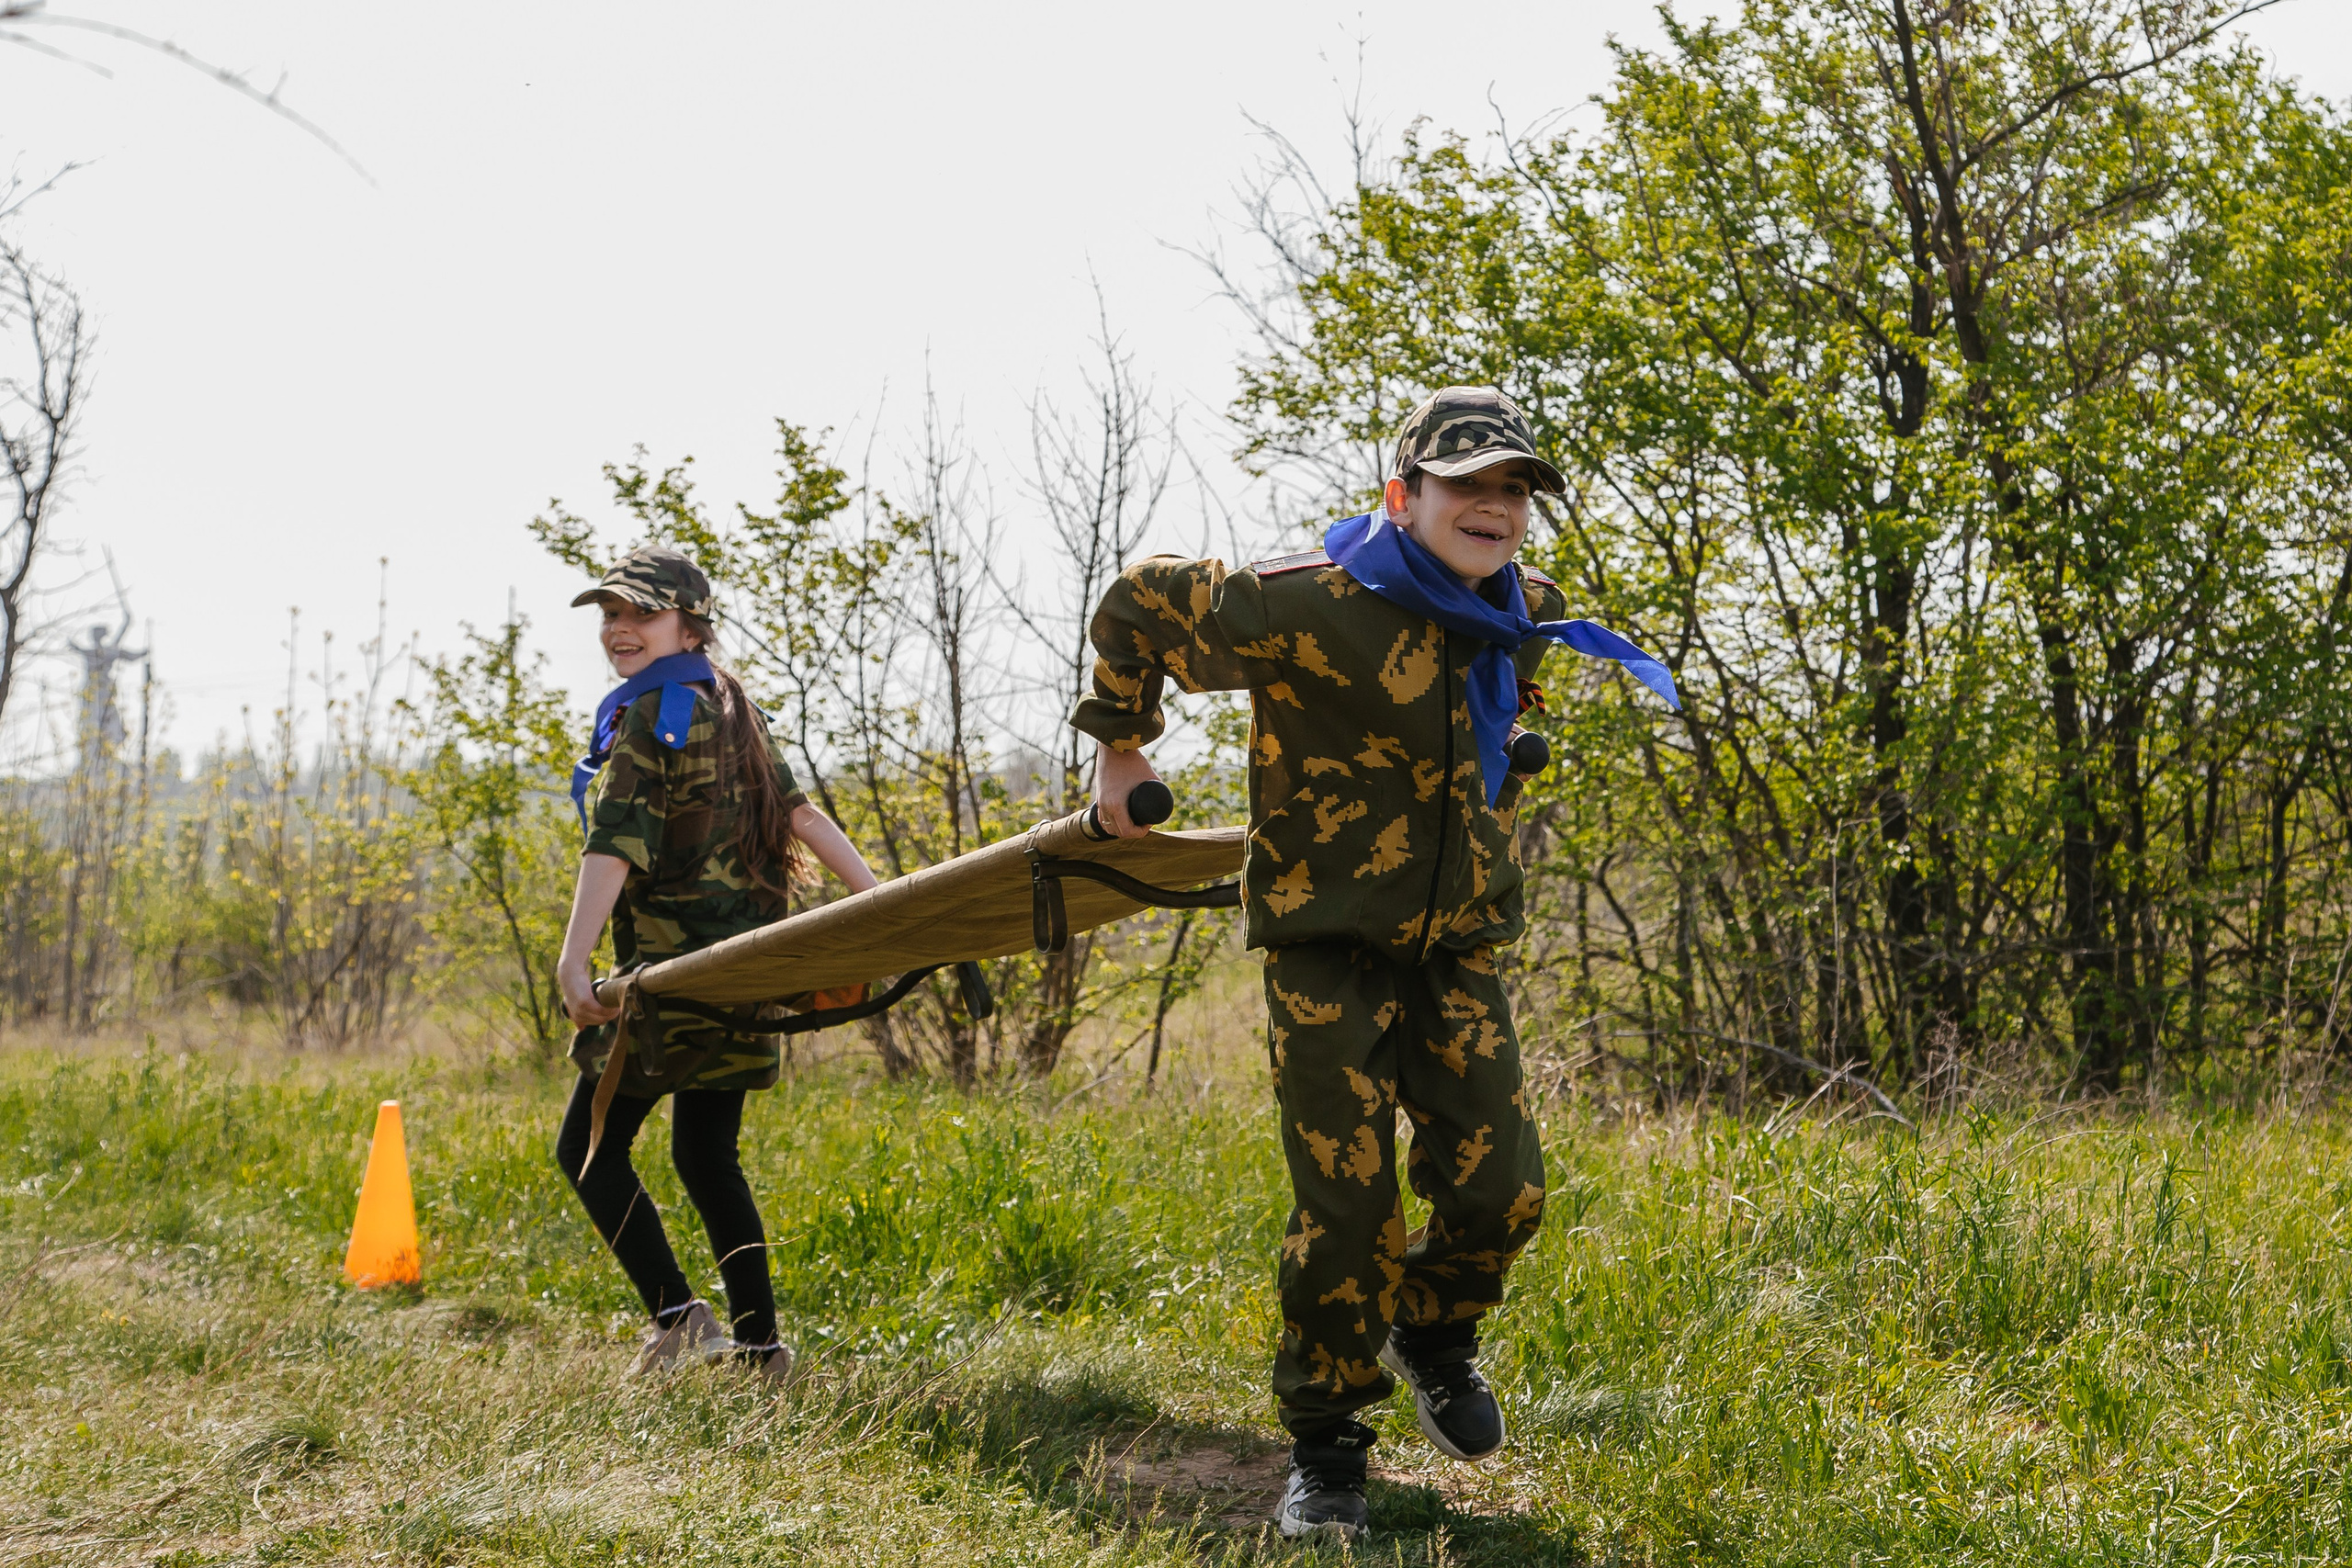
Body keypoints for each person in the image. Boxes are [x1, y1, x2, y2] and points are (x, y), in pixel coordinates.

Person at [1074, 387, 1677, 1543]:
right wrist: (1120, 747)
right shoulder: (1300, 603)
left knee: (1504, 1186)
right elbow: (1136, 601)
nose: (1492, 508)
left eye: (1512, 490)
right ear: (1403, 497)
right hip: (1326, 948)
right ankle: (1328, 1447)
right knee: (1348, 1206)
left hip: (1456, 949)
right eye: (1467, 485)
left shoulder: (1525, 608)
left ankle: (1435, 1332)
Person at [554, 545, 879, 1381]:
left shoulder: (651, 714)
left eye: (640, 614)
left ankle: (678, 1314)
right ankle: (763, 1347)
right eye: (611, 616)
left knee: (587, 1150)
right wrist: (881, 898)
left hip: (669, 984)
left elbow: (614, 843)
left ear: (688, 623)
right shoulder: (733, 704)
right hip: (745, 973)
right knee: (706, 1155)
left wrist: (575, 955)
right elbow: (802, 814)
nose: (620, 630)